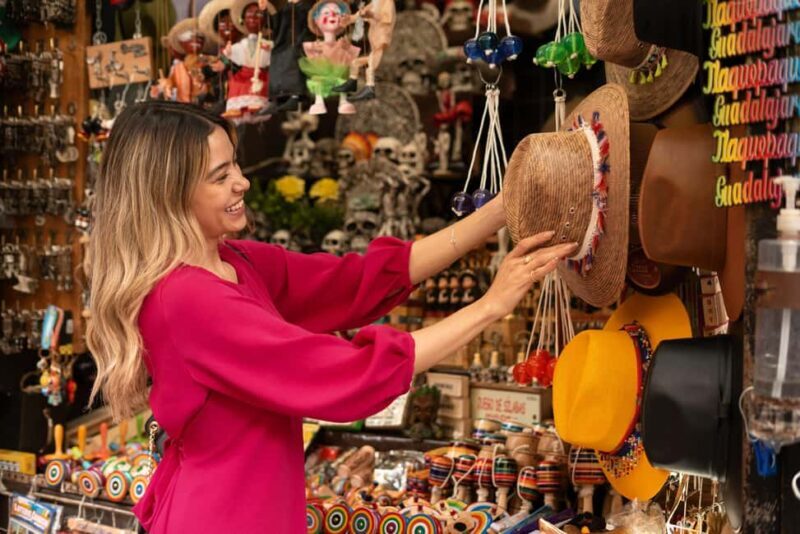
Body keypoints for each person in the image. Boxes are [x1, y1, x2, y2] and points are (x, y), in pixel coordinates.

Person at [85, 101, 576, 533]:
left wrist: (497, 214)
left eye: (234, 164)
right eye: (220, 176)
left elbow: (354, 281)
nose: (243, 182)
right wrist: (491, 305)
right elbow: (347, 374)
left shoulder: (233, 261)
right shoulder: (188, 300)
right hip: (225, 516)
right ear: (171, 195)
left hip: (256, 508)